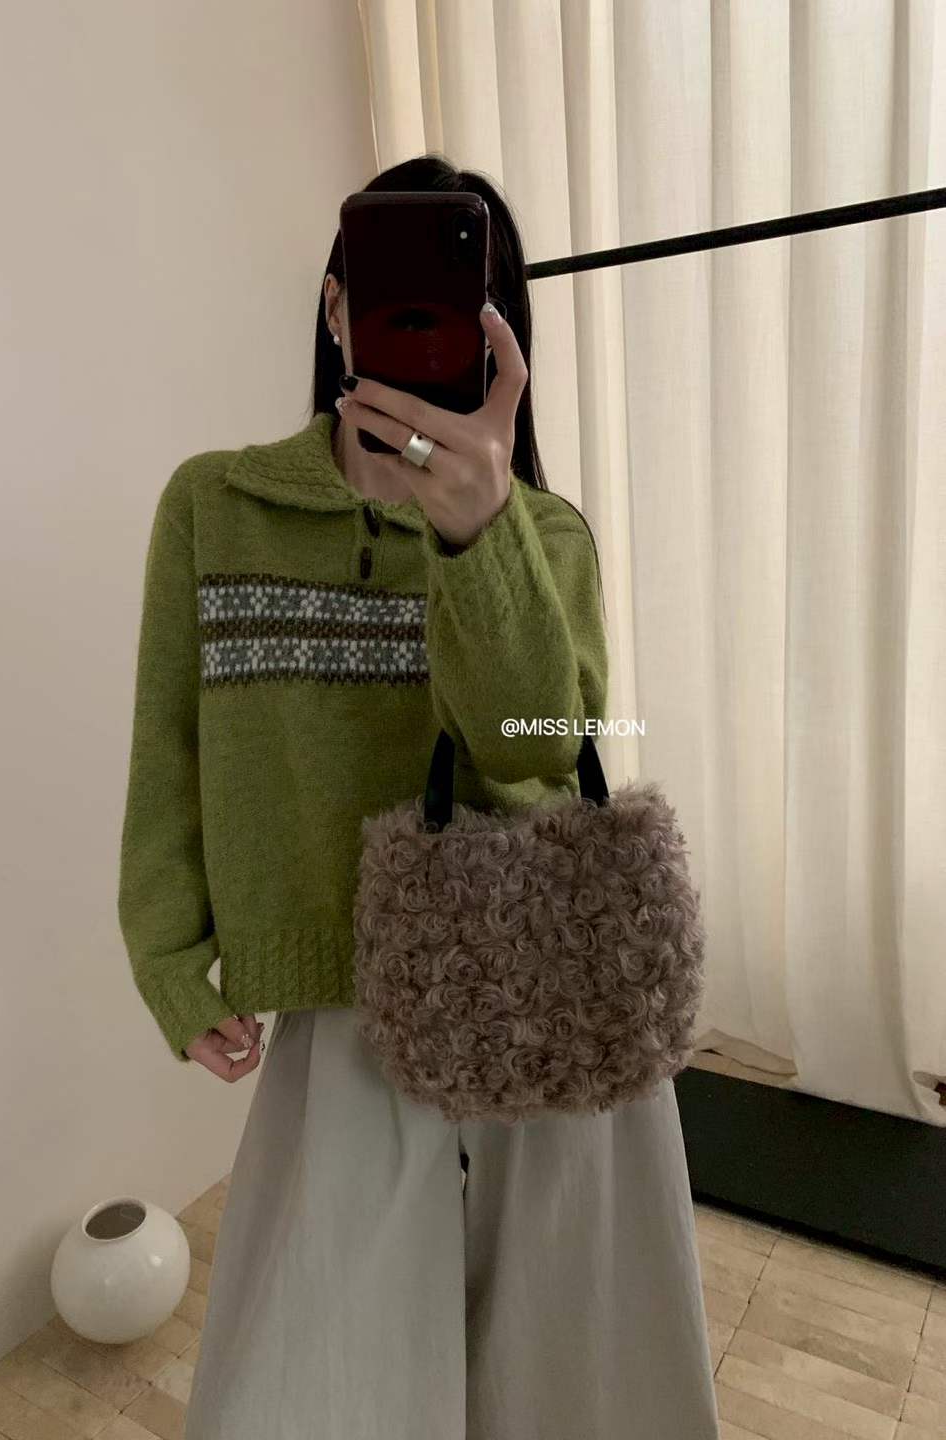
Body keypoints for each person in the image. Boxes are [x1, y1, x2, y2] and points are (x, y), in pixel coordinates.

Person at [118, 154, 720, 1440]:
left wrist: (477, 537)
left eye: (463, 302)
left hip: (545, 1001)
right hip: (340, 1022)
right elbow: (167, 741)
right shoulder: (216, 506)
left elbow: (536, 746)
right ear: (336, 307)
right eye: (387, 295)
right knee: (312, 1391)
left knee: (577, 1391)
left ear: (501, 339)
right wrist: (169, 956)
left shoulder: (543, 534)